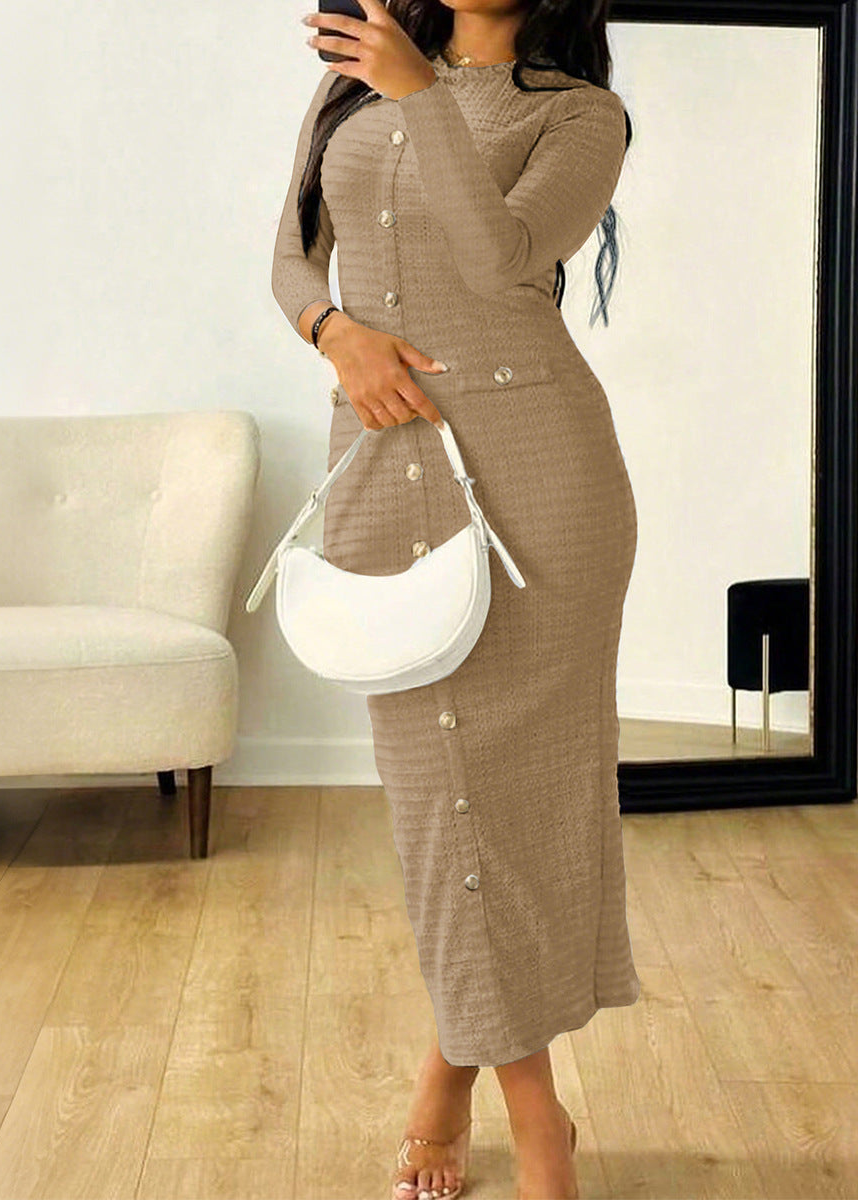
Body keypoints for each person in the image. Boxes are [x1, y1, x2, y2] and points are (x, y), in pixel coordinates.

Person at [278, 2, 640, 1196]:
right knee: (442, 804)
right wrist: (338, 335)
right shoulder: (351, 83)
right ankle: (504, 1098)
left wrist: (422, 96)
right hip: (386, 457)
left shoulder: (583, 117)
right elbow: (290, 256)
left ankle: (503, 1113)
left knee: (523, 802)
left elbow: (503, 262)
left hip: (542, 468)